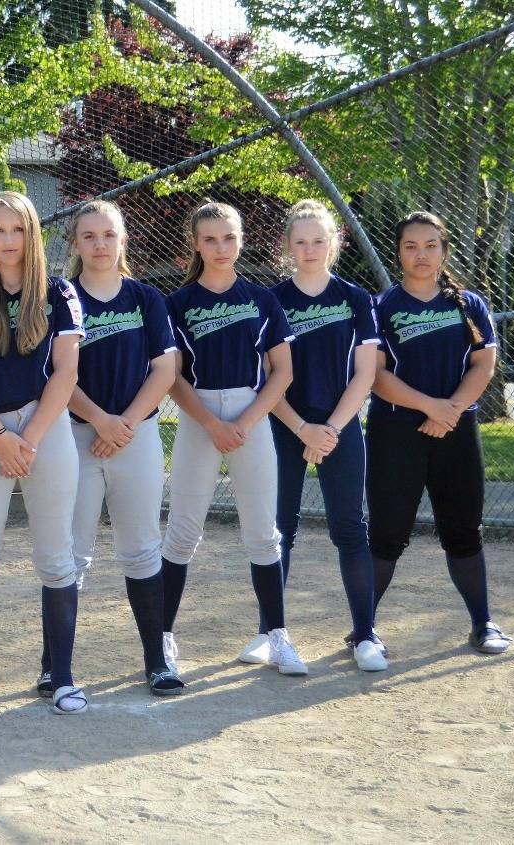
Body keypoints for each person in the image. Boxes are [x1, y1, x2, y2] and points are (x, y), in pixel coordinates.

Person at [0, 191, 87, 717]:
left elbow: (67, 373)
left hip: (44, 428)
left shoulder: (59, 291)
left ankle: (63, 679)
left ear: (32, 234)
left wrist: (31, 436)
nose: (7, 241)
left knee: (56, 557)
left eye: (17, 230)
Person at [159, 201, 302, 676]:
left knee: (264, 534)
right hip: (200, 415)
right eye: (209, 239)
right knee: (182, 533)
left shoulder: (262, 298)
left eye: (229, 237)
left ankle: (278, 636)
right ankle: (162, 640)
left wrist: (248, 419)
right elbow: (173, 377)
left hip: (251, 414)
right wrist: (211, 422)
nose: (220, 248)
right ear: (195, 244)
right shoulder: (177, 303)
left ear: (241, 240)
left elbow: (282, 371)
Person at [366, 211, 511, 656]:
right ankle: (364, 628)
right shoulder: (381, 307)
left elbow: (483, 363)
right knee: (388, 533)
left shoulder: (468, 305)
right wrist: (431, 407)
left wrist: (450, 412)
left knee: (464, 530)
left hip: (457, 429)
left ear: (444, 251)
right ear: (398, 252)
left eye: (431, 245)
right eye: (411, 246)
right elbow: (375, 374)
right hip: (395, 429)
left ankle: (483, 623)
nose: (421, 254)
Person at [63, 201, 183, 695]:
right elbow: (55, 374)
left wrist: (125, 425)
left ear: (123, 240)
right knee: (69, 556)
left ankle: (157, 660)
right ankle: (55, 664)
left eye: (108, 235)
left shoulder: (145, 298)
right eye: (88, 236)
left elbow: (165, 369)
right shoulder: (61, 296)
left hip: (135, 437)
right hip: (74, 436)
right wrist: (99, 421)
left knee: (141, 548)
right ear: (75, 243)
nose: (99, 245)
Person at [266, 200, 385, 672]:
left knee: (351, 529)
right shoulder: (271, 299)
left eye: (319, 240)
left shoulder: (356, 299)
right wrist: (301, 428)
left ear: (334, 242)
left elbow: (365, 375)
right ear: (288, 246)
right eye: (301, 241)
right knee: (279, 532)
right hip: (285, 423)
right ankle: (271, 633)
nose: (310, 249)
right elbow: (267, 375)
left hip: (340, 428)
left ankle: (366, 635)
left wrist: (330, 430)